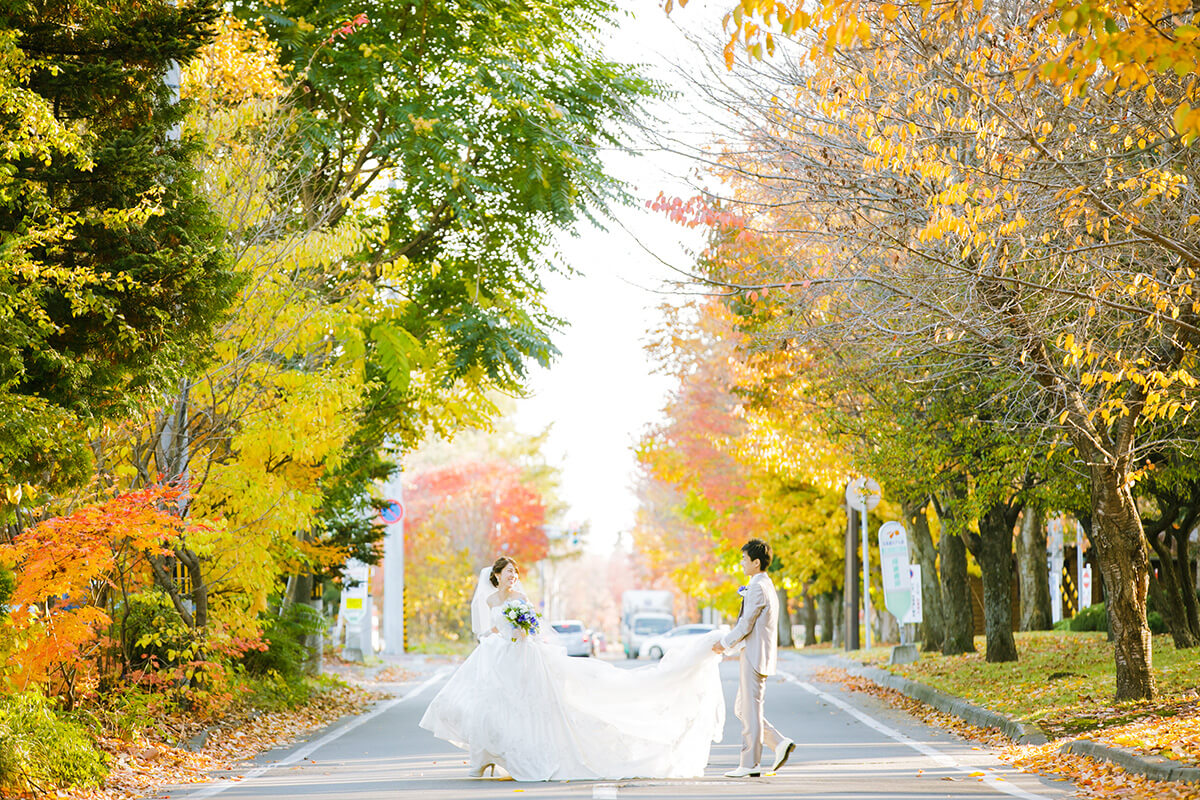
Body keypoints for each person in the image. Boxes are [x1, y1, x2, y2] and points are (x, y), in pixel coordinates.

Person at [418, 556, 726, 781]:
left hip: (526, 654)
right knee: (493, 706)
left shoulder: (521, 598)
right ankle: (486, 755)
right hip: (499, 656)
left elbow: (534, 627)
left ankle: (518, 755)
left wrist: (525, 631)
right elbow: (485, 633)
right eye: (508, 572)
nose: (513, 576)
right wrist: (499, 638)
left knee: (530, 707)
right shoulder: (488, 600)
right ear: (496, 575)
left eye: (515, 572)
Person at [711, 539, 795, 777]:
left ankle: (750, 763)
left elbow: (746, 624)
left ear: (756, 562)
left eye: (744, 559)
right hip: (757, 653)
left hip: (755, 655)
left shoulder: (758, 587)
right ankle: (778, 743)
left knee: (750, 710)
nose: (742, 563)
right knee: (743, 708)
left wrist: (724, 644)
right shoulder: (763, 584)